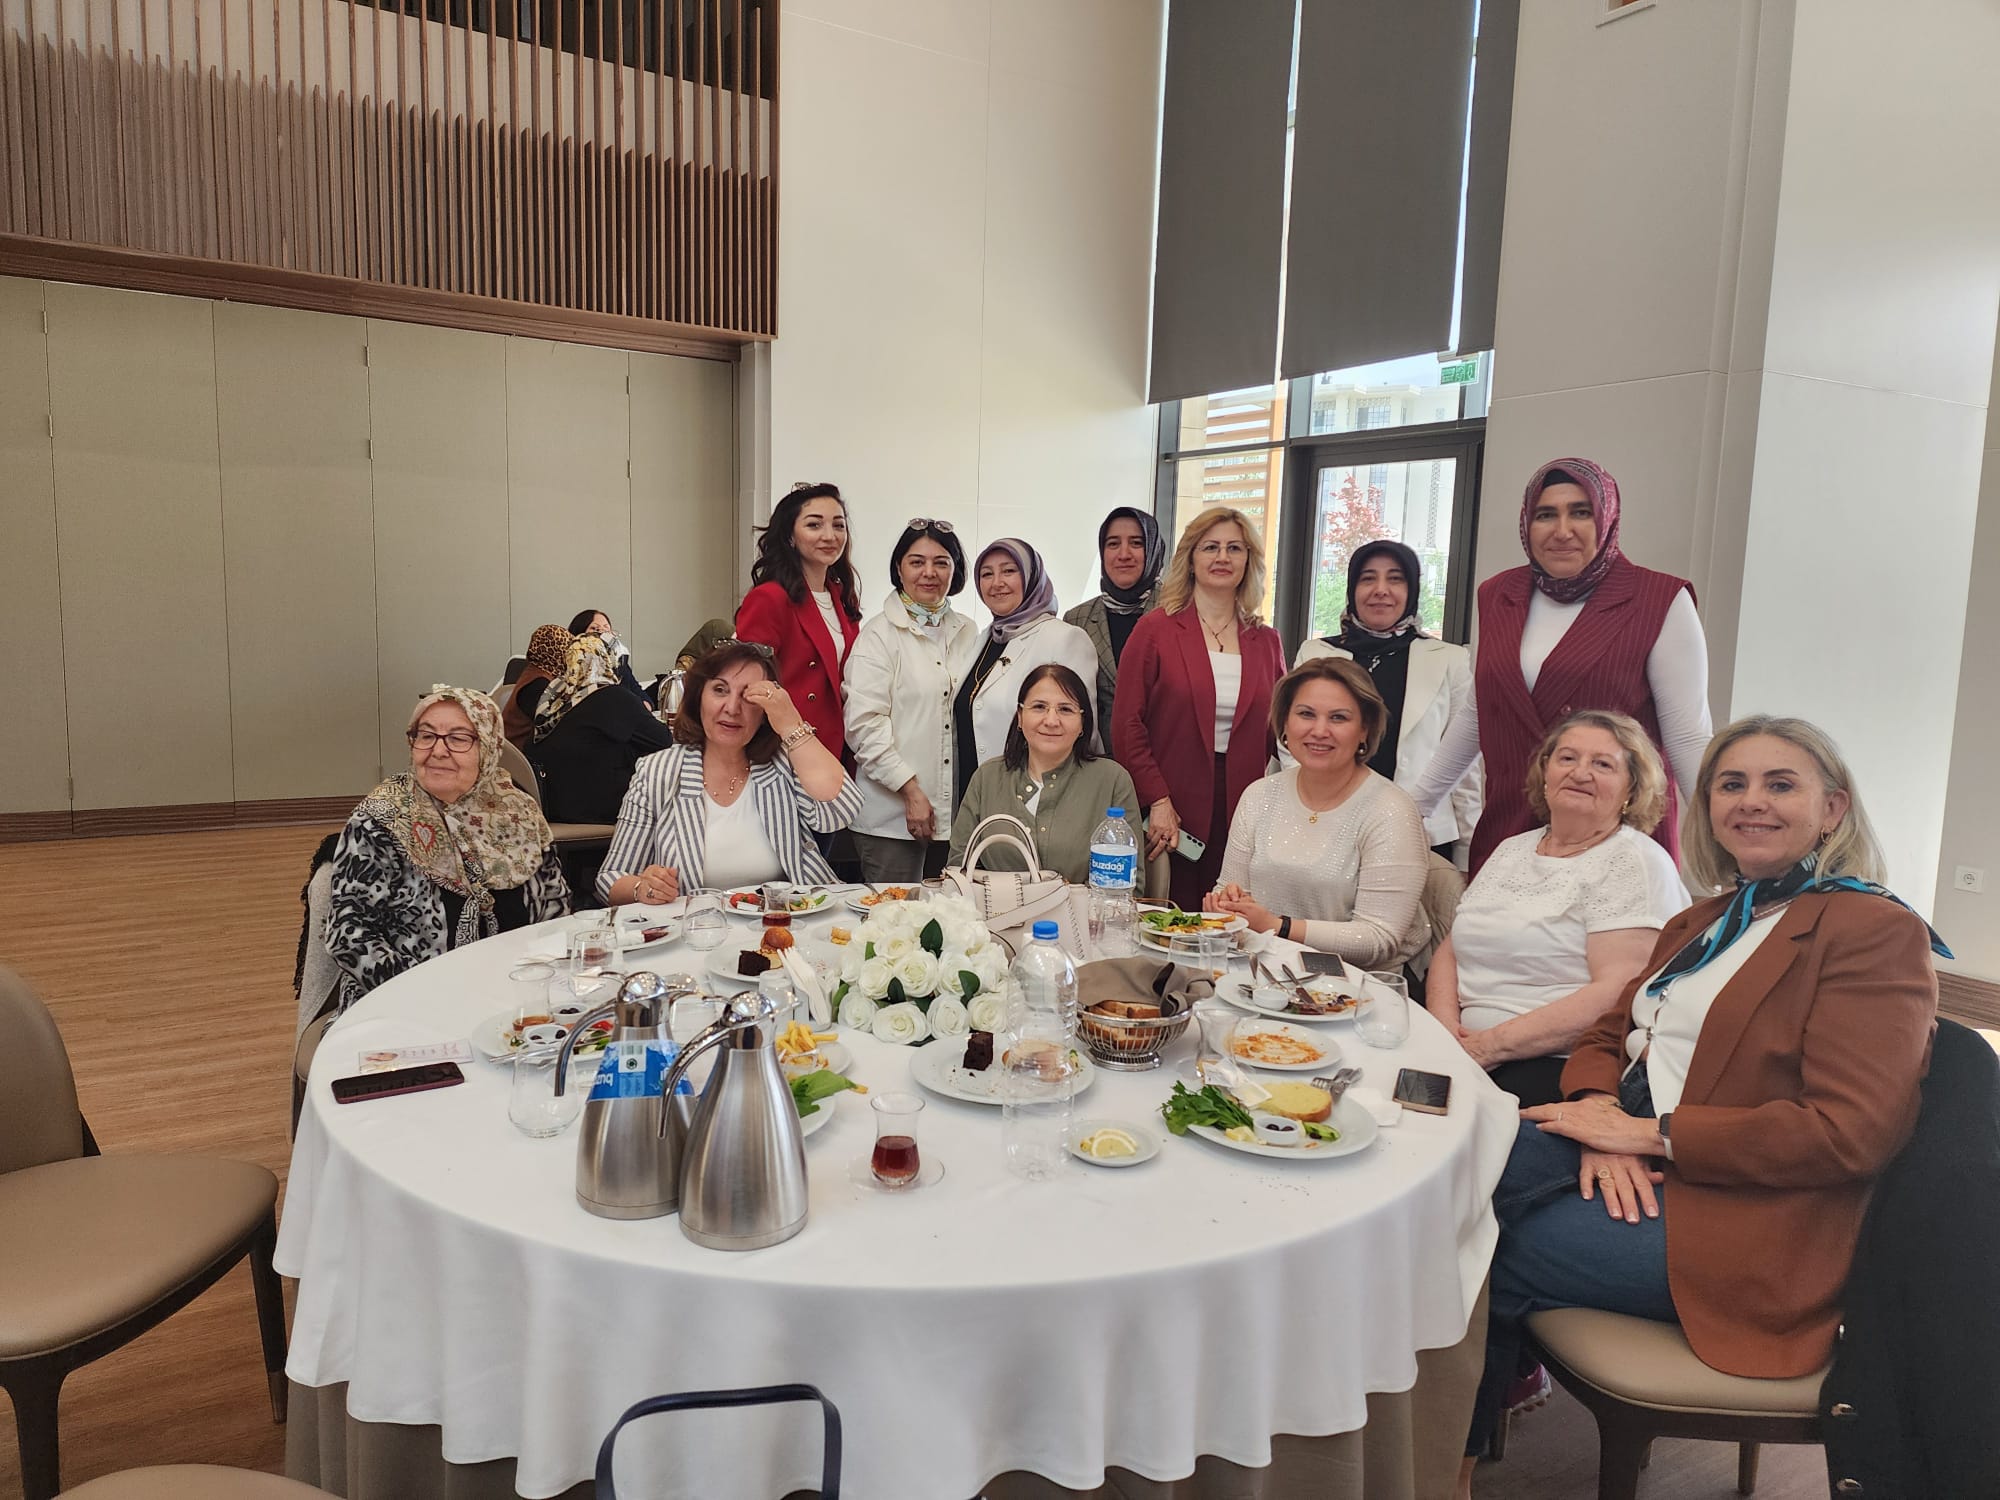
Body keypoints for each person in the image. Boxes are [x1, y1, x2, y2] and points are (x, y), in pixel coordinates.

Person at [1457, 715, 1947, 1497]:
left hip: (1751, 1228)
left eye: (1780, 784)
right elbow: (1611, 1031)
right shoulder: (1707, 918)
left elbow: (1850, 1132)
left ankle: (1435, 1466)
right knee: (1458, 1158)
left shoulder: (1872, 930)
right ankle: (1427, 1454)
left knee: (1472, 1236)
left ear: (1833, 808)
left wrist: (1652, 1136)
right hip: (1646, 1169)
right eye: (1731, 784)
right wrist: (1600, 1119)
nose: (1752, 800)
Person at [1408, 458, 1712, 875]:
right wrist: (1414, 808)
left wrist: (1721, 840)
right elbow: (1480, 713)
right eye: (1546, 515)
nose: (1562, 530)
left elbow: (1688, 737)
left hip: (1613, 833)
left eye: (1581, 512)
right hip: (1510, 823)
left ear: (1607, 518)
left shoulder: (1659, 599)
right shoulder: (1498, 594)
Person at [1428, 711, 1687, 1107]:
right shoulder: (1512, 849)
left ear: (1632, 789)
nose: (1580, 773)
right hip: (1463, 1048)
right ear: (1545, 773)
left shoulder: (1634, 861)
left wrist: (1487, 1047)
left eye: (1603, 764)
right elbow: (1453, 947)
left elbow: (1619, 991)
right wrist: (1443, 1032)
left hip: (1558, 1064)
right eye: (1567, 758)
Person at [326, 687, 569, 1008]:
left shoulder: (519, 812)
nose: (438, 750)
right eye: (426, 736)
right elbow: (349, 932)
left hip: (517, 996)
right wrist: (428, 997)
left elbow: (555, 908)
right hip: (408, 1003)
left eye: (458, 738)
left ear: (489, 747)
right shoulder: (381, 819)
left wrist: (539, 983)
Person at [1111, 506, 1286, 911]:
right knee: (1173, 917)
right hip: (1172, 807)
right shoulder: (1156, 629)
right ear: (1190, 559)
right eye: (1210, 547)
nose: (1222, 557)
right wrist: (1157, 798)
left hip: (1244, 805)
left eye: (1234, 548)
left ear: (1249, 560)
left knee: (1232, 916)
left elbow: (1280, 730)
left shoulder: (1267, 640)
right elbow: (1127, 724)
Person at [1205, 657, 1430, 967]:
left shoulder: (1391, 811)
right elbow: (1229, 889)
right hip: (1261, 970)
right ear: (1285, 722)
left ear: (1364, 729)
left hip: (1359, 983)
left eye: (1338, 718)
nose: (1320, 730)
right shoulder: (1259, 795)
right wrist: (1225, 905)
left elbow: (1379, 939)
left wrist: (1278, 926)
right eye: (1306, 714)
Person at [596, 641, 862, 902]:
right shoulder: (658, 771)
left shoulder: (784, 764)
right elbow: (610, 878)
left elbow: (840, 812)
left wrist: (791, 725)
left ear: (765, 711)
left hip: (787, 922)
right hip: (698, 925)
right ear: (699, 697)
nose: (732, 708)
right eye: (720, 690)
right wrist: (643, 887)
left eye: (748, 696)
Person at [1294, 539, 1480, 864]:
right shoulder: (1316, 654)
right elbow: (1293, 743)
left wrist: (1467, 853)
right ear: (1352, 589)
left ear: (1412, 590)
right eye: (1368, 578)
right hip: (1326, 827)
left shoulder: (1449, 660)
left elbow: (1465, 765)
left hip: (1422, 835)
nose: (1381, 590)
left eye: (1395, 579)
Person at [844, 521, 980, 882]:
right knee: (895, 914)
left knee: (950, 913)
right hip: (890, 820)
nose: (929, 573)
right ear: (899, 568)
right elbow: (863, 727)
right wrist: (910, 790)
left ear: (955, 570)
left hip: (955, 817)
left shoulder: (969, 631)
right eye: (917, 562)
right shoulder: (878, 635)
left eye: (941, 562)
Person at [948, 663, 1138, 885]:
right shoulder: (987, 778)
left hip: (1084, 907)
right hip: (997, 907)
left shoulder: (1112, 780)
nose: (1051, 721)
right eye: (1039, 707)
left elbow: (1128, 886)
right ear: (1020, 716)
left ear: (1083, 722)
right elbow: (956, 873)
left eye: (1065, 709)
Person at [951, 538, 1098, 802]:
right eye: (987, 574)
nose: (997, 583)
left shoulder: (1063, 638)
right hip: (973, 793)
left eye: (1009, 571)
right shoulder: (983, 639)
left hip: (1034, 799)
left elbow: (1082, 732)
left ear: (1031, 577)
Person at [734, 482, 862, 761]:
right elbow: (748, 684)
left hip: (838, 747)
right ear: (790, 536)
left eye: (838, 525)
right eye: (814, 525)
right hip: (786, 749)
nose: (829, 536)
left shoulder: (842, 596)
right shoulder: (769, 598)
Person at [528, 634, 676, 824]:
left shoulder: (556, 695)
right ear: (609, 661)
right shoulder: (613, 696)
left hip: (553, 805)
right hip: (596, 807)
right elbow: (663, 739)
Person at [1065, 507, 1168, 734]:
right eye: (1113, 544)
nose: (1124, 554)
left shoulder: (1178, 612)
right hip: (1098, 751)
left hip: (1162, 748)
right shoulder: (1077, 619)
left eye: (1136, 543)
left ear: (1153, 550)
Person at [503, 623, 572, 747]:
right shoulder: (539, 684)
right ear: (557, 651)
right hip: (520, 751)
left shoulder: (535, 671)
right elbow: (551, 726)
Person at [568, 608, 654, 707]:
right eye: (595, 628)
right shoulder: (573, 663)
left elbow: (636, 689)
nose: (602, 632)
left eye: (606, 627)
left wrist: (646, 704)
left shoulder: (619, 661)